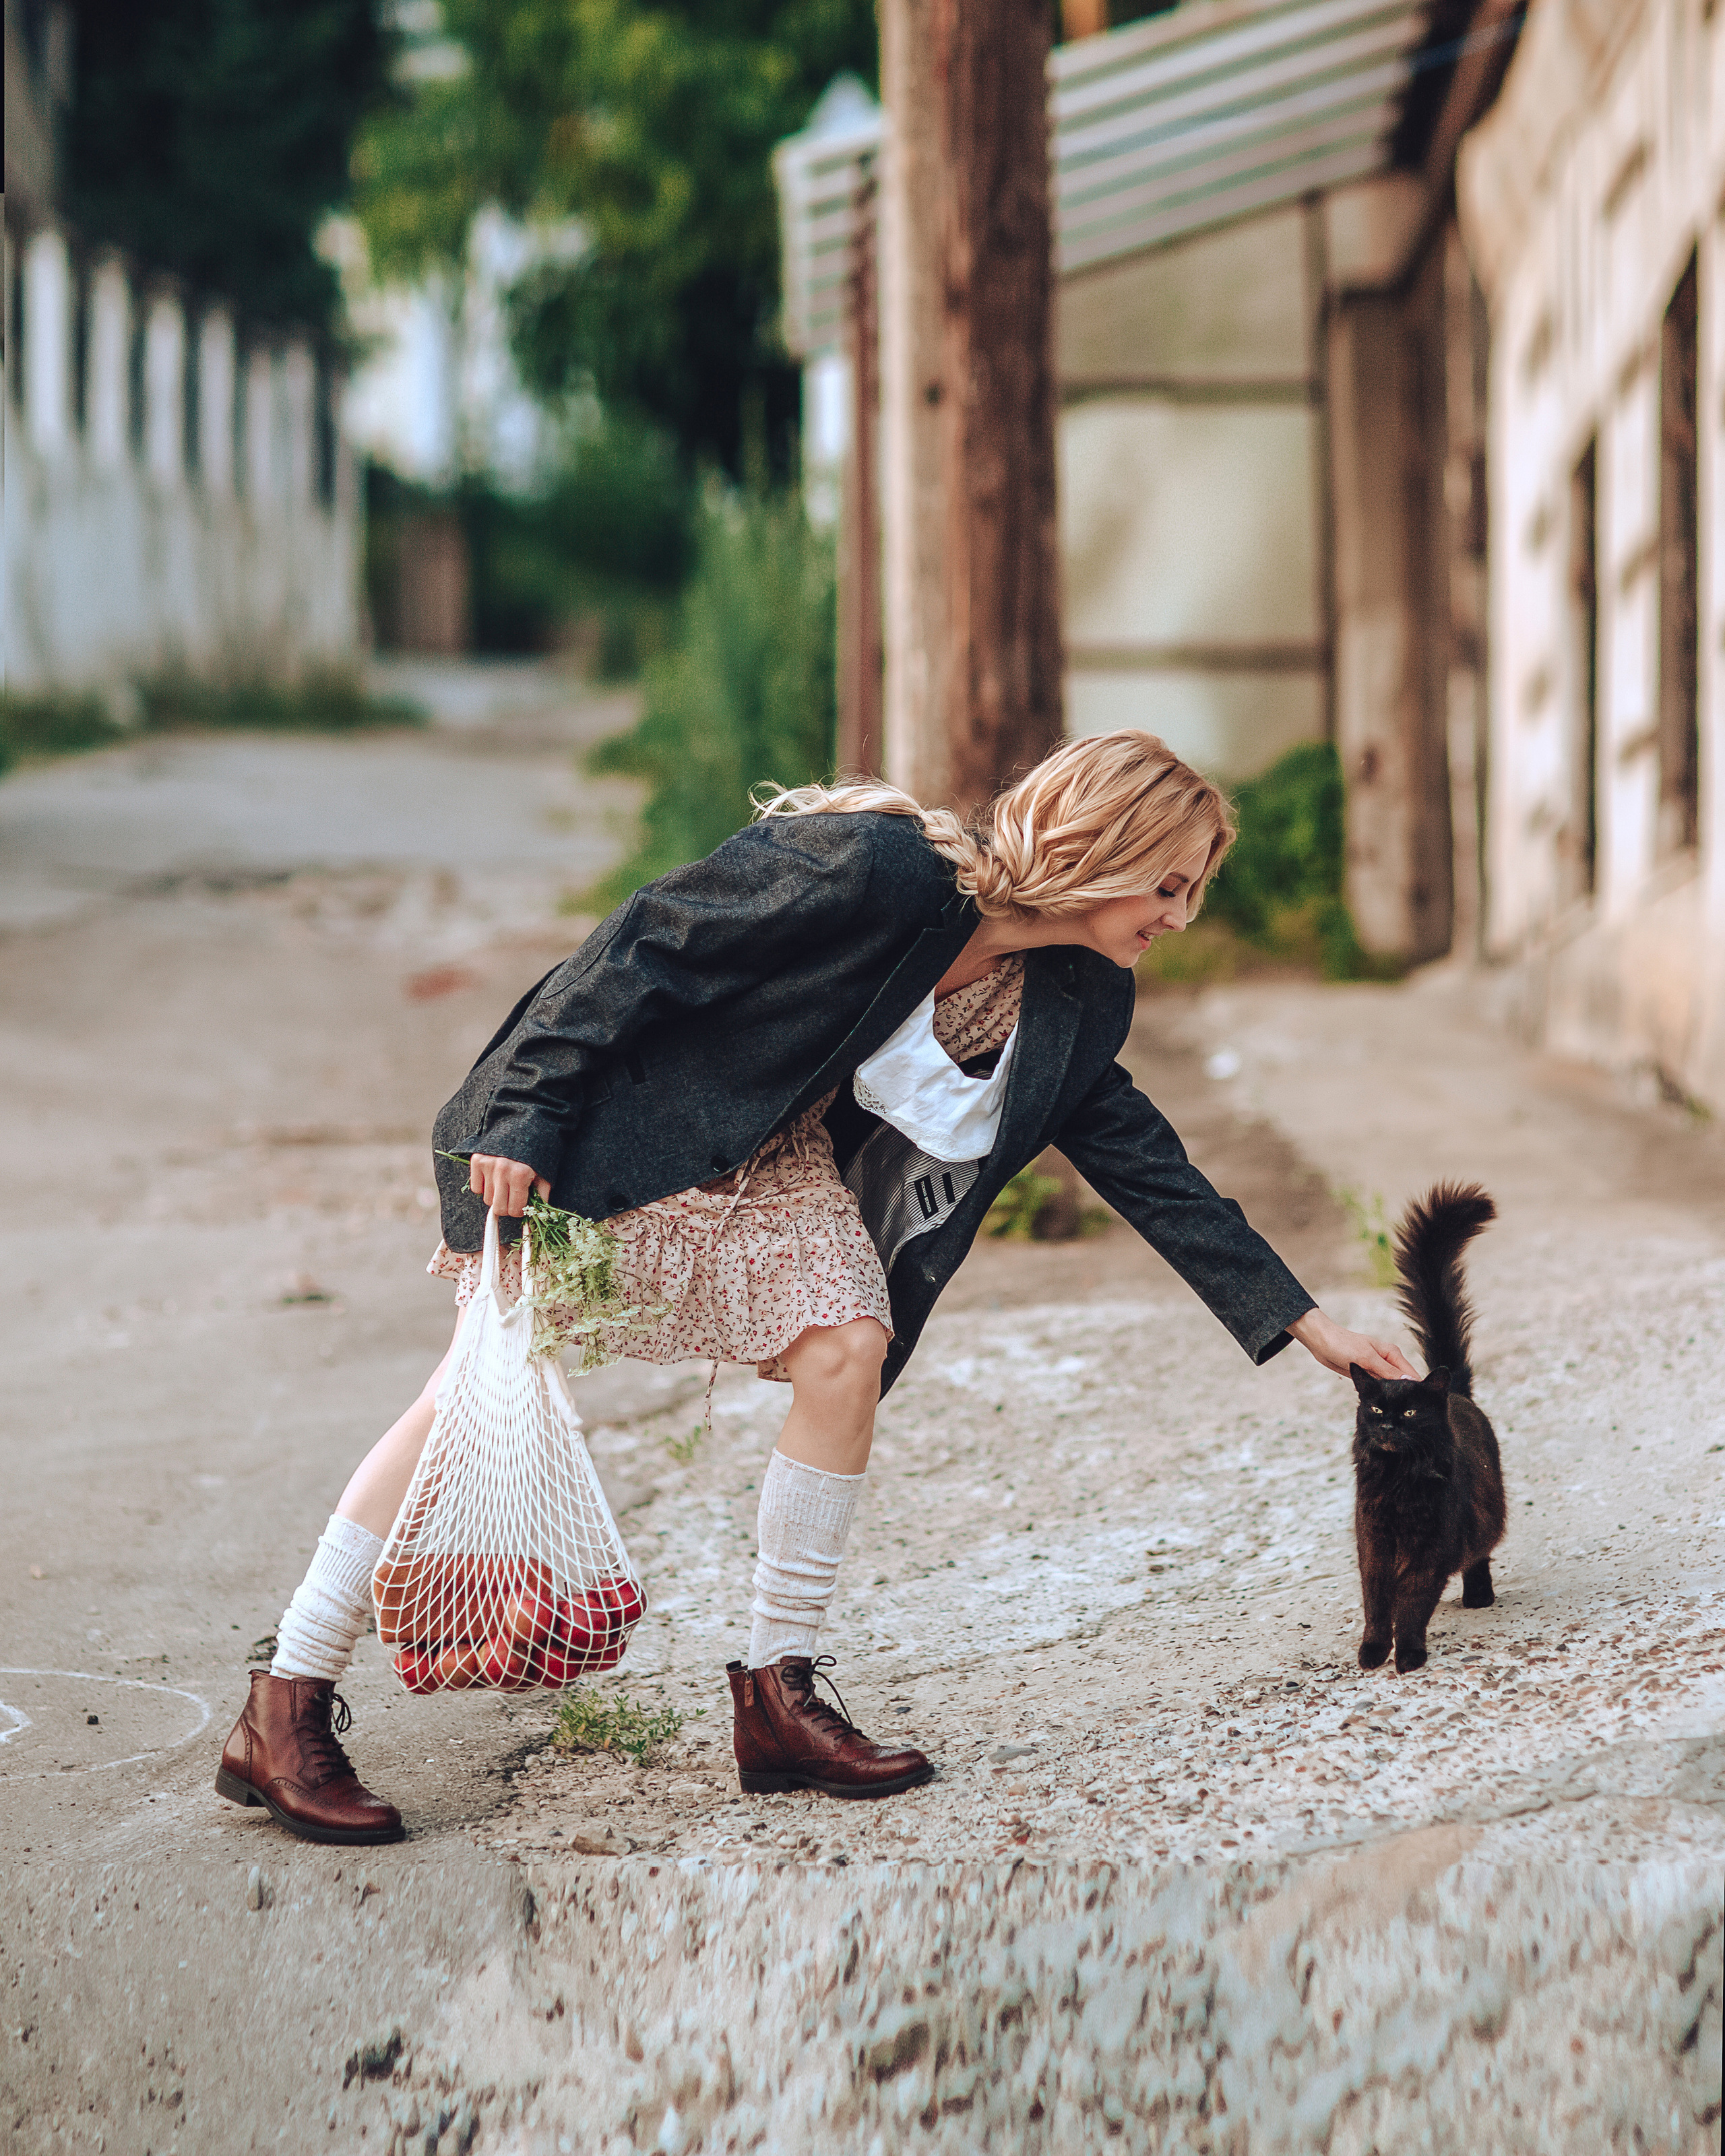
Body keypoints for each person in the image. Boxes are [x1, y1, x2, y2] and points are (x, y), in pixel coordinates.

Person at [215, 730, 1415, 1844]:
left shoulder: (1078, 994)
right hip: (617, 1128)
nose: (1182, 917)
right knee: (464, 1403)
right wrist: (528, 1109)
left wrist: (1305, 1321)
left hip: (773, 1165)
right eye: (1170, 885)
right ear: (1105, 846)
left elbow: (1142, 1159)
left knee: (848, 1344)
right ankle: (286, 1700)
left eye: (1193, 893)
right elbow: (645, 941)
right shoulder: (880, 870)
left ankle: (777, 1699)